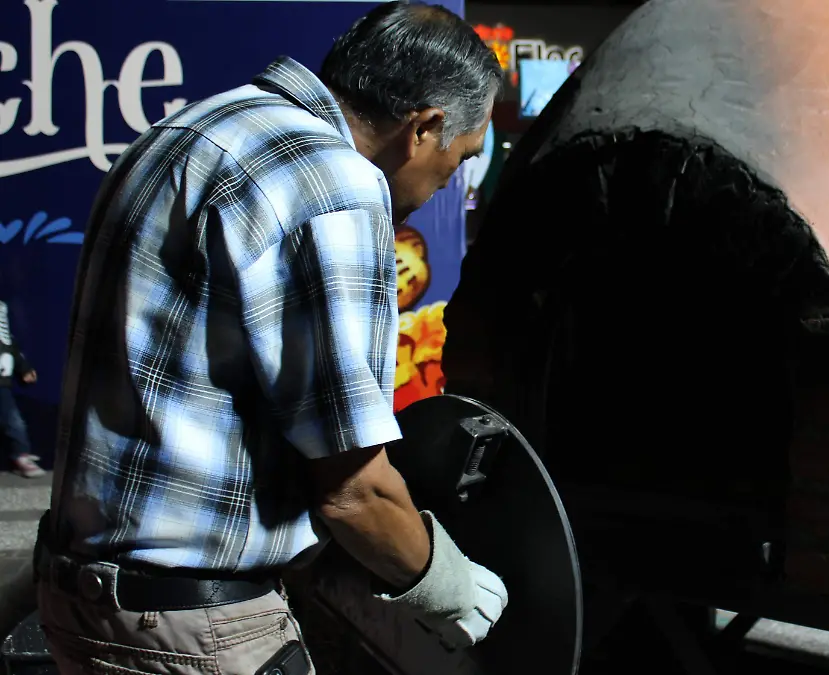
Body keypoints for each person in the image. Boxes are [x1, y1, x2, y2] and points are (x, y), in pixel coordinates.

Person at [36, 3, 506, 673]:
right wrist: (453, 589)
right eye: (457, 159)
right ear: (423, 127)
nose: (441, 189)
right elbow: (354, 493)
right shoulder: (333, 184)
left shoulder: (192, 129)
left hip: (82, 600)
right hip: (192, 628)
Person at [0, 299, 45, 478]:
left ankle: (20, 455)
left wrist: (24, 368)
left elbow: (11, 347)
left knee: (14, 421)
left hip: (2, 384)